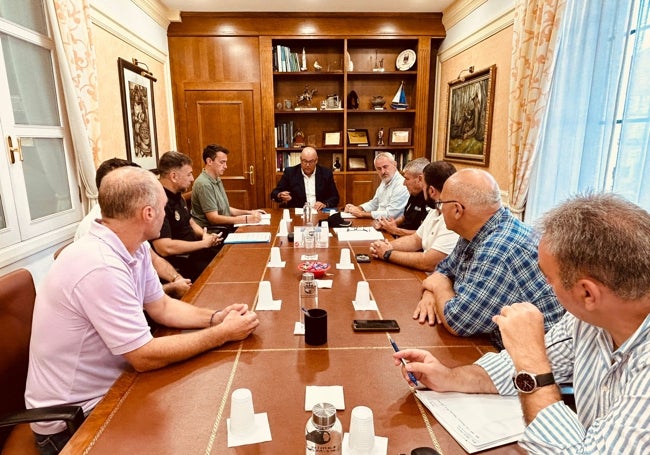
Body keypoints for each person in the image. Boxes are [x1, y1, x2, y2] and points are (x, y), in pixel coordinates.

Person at [25, 166, 259, 454]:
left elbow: (160, 306)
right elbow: (143, 357)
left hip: (112, 385)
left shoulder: (131, 247)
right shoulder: (100, 265)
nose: (167, 212)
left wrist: (214, 318)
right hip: (75, 421)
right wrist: (222, 334)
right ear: (148, 214)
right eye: (162, 207)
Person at [394, 193, 650, 454]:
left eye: (548, 278)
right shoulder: (589, 320)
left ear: (587, 294)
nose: (546, 287)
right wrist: (448, 377)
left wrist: (529, 357)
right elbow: (509, 368)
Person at [413, 169, 563, 348]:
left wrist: (438, 286)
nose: (439, 209)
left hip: (532, 359)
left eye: (440, 203)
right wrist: (430, 294)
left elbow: (459, 321)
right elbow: (444, 269)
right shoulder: (479, 229)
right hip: (495, 342)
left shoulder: (499, 249)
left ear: (457, 210)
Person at [74, 158, 191, 298]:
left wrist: (176, 278)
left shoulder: (128, 220)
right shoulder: (95, 230)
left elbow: (153, 259)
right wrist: (171, 288)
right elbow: (129, 298)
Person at [370, 161, 459, 272]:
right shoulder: (436, 209)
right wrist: (386, 245)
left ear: (431, 190)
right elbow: (416, 239)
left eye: (424, 186)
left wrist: (387, 253)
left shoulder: (452, 217)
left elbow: (428, 263)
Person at [150, 151, 222, 282]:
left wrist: (204, 236)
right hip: (180, 261)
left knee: (227, 258)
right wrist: (202, 244)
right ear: (174, 176)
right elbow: (164, 247)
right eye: (188, 174)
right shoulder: (157, 200)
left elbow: (191, 222)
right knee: (220, 273)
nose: (192, 178)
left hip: (195, 251)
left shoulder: (177, 195)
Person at [191, 144, 266, 232]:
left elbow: (226, 209)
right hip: (215, 233)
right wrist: (246, 219)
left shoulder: (216, 179)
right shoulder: (204, 184)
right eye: (222, 162)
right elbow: (213, 218)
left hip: (225, 227)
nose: (226, 166)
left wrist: (249, 212)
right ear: (209, 161)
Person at [373, 157, 429, 237]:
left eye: (407, 179)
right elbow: (406, 216)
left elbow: (424, 235)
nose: (404, 183)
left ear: (420, 179)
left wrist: (396, 230)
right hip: (400, 235)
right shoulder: (414, 194)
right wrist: (392, 224)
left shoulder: (430, 201)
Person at [344, 152, 409, 219]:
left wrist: (362, 214)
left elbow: (391, 215)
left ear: (395, 164)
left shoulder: (401, 185)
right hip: (380, 221)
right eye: (379, 169)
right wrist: (358, 208)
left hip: (392, 224)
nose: (383, 172)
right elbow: (374, 203)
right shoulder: (386, 180)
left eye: (385, 167)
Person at [270, 147, 339, 210]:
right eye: (305, 161)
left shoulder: (326, 173)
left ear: (316, 160)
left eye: (311, 161)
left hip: (319, 212)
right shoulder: (290, 173)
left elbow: (335, 197)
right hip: (297, 214)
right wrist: (280, 195)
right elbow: (274, 193)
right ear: (300, 160)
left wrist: (324, 204)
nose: (307, 165)